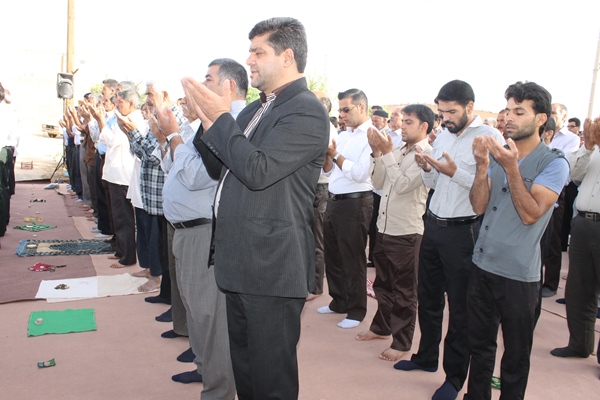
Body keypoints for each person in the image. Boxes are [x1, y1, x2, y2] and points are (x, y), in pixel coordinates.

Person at [185, 17, 329, 399]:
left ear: (287, 57)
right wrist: (207, 120)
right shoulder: (251, 111)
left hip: (271, 269)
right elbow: (219, 168)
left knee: (271, 384)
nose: (248, 60)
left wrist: (220, 118)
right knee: (247, 378)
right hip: (240, 263)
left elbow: (257, 171)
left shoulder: (306, 110)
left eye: (257, 52)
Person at [395, 80, 505, 400]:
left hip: (464, 232)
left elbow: (491, 190)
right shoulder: (443, 135)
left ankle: (454, 378)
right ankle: (426, 357)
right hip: (433, 226)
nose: (445, 118)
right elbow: (434, 183)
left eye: (451, 112)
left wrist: (454, 172)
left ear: (470, 106)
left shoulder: (490, 138)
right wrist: (427, 168)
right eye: (441, 112)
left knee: (460, 308)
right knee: (428, 298)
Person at [465, 81, 569, 400]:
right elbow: (479, 206)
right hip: (482, 265)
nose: (509, 117)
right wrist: (483, 166)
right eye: (508, 110)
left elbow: (531, 214)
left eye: (519, 112)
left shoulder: (554, 163)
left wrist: (511, 168)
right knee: (479, 348)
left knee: (515, 358)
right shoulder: (499, 157)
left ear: (541, 119)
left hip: (518, 277)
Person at [155, 58, 248, 398]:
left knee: (210, 317)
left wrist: (173, 136)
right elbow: (173, 167)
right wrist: (169, 138)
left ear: (229, 86)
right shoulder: (205, 123)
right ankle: (205, 370)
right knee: (195, 310)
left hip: (204, 231)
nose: (200, 86)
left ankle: (219, 390)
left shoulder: (231, 123)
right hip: (186, 231)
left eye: (208, 80)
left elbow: (197, 177)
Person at [356, 104, 433, 363]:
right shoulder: (397, 150)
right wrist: (377, 153)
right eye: (403, 120)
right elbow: (378, 183)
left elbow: (402, 185)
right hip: (384, 227)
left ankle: (402, 342)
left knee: (404, 291)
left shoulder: (426, 155)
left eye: (409, 122)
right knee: (383, 285)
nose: (402, 126)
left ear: (424, 126)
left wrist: (386, 154)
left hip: (406, 232)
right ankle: (381, 328)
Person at [318, 88, 374, 329]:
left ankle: (356, 310)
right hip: (334, 199)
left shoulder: (371, 136)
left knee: (352, 258)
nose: (341, 115)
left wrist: (336, 155)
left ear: (361, 107)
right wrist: (328, 157)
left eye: (346, 109)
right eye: (340, 110)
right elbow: (330, 171)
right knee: (333, 255)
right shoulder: (343, 135)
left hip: (356, 202)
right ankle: (338, 300)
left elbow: (360, 173)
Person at [551, 116, 600, 360]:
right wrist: (588, 146)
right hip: (582, 223)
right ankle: (580, 344)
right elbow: (574, 174)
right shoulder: (594, 149)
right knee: (579, 288)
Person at [97, 90, 143, 268]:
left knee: (124, 217)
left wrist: (101, 121)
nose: (117, 105)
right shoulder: (123, 118)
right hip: (115, 174)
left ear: (131, 103)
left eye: (120, 102)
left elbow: (112, 141)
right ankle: (120, 250)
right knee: (117, 216)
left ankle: (127, 256)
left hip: (122, 175)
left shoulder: (132, 120)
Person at [540, 103, 579, 297]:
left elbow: (563, 161)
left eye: (554, 112)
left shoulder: (571, 139)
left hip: (557, 190)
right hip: (536, 187)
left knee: (553, 239)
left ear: (564, 117)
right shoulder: (539, 132)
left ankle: (551, 283)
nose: (551, 115)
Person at [307, 95, 338, 301]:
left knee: (317, 240)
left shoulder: (327, 130)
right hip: (311, 187)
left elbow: (327, 164)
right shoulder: (313, 125)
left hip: (321, 188)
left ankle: (316, 287)